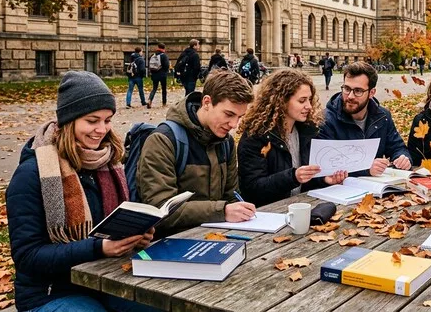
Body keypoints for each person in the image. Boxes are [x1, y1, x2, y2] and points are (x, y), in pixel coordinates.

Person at [6, 71, 157, 312]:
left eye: (107, 120)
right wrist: (98, 248)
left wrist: (136, 236)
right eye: (92, 120)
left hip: (107, 279)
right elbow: (28, 256)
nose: (102, 130)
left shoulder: (109, 162)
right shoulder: (32, 174)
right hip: (50, 292)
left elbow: (110, 226)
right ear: (69, 120)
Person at [137, 70, 257, 238]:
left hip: (216, 236)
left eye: (240, 117)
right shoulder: (164, 140)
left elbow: (231, 195)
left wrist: (240, 209)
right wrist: (222, 211)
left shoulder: (226, 143)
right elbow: (161, 208)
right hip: (169, 244)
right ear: (207, 102)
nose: (234, 124)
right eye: (229, 114)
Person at [237, 69, 348, 206]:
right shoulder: (256, 136)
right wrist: (292, 177)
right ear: (281, 101)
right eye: (302, 101)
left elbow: (308, 177)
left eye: (309, 100)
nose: (308, 106)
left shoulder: (309, 130)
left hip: (302, 206)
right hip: (269, 212)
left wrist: (324, 179)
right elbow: (252, 188)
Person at [319, 61, 412, 176]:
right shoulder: (326, 120)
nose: (350, 96)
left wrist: (403, 158)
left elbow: (397, 147)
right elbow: (323, 167)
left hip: (375, 188)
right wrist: (366, 169)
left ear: (371, 93)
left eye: (358, 91)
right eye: (347, 88)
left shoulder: (382, 116)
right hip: (338, 190)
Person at [148, 43, 170, 109]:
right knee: (164, 89)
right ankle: (164, 103)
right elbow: (166, 66)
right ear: (164, 48)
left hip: (154, 74)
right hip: (162, 75)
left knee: (154, 88)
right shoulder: (164, 56)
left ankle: (150, 100)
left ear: (158, 47)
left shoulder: (153, 55)